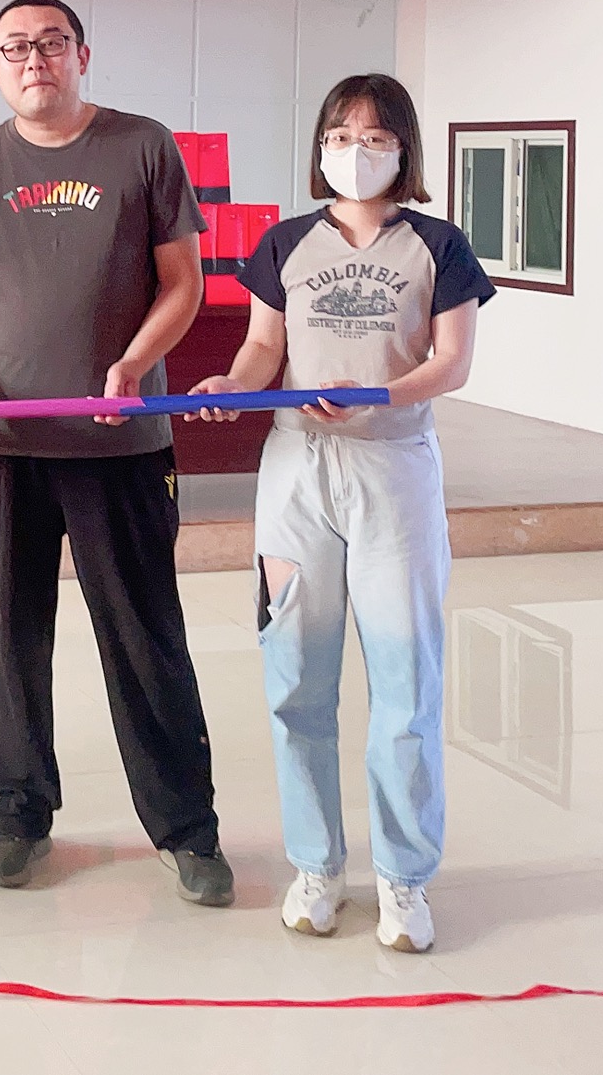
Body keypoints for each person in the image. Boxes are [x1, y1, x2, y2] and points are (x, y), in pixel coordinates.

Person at [0, 0, 233, 907]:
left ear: (82, 55)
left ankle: (187, 828)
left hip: (122, 443)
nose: (35, 60)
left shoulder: (143, 145)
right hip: (10, 444)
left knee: (144, 635)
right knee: (12, 635)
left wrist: (134, 364)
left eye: (52, 43)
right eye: (16, 47)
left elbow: (184, 283)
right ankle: (19, 813)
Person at [190, 71, 493, 954]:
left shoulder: (439, 245)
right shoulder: (286, 242)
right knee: (295, 675)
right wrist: (233, 385)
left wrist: (375, 396)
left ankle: (404, 876)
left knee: (405, 680)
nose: (353, 151)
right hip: (295, 471)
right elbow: (262, 346)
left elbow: (452, 362)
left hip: (393, 467)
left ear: (403, 148)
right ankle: (316, 863)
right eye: (338, 135)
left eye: (372, 137)